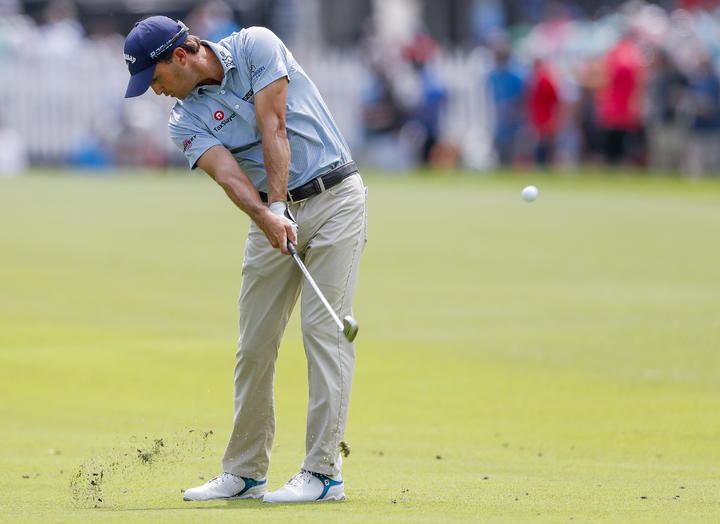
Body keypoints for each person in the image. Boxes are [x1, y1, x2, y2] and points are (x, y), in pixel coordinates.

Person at [122, 16, 367, 503]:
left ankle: (323, 474)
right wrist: (267, 215)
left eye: (155, 77)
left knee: (323, 332)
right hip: (268, 217)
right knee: (254, 343)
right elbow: (229, 175)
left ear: (180, 56)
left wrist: (277, 205)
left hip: (334, 196)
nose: (154, 90)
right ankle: (245, 472)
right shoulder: (183, 120)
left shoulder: (256, 45)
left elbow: (273, 125)